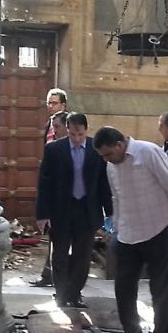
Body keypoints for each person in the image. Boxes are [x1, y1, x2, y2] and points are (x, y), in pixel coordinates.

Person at [94, 126, 168, 333]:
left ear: (119, 144)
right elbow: (117, 197)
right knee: (123, 289)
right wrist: (114, 225)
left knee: (162, 293)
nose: (106, 160)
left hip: (160, 231)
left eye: (107, 154)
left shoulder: (149, 152)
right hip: (127, 235)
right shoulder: (111, 166)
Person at [35, 113, 112, 309]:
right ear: (67, 131)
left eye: (80, 134)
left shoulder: (96, 150)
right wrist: (42, 215)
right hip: (60, 210)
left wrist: (110, 213)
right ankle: (61, 294)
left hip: (87, 210)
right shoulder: (54, 150)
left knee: (82, 255)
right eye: (72, 134)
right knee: (59, 254)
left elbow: (104, 184)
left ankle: (75, 293)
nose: (76, 139)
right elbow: (44, 183)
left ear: (86, 130)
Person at [32, 88, 69, 288]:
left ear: (63, 105)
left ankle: (59, 277)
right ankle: (50, 275)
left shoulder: (70, 125)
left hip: (66, 191)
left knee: (62, 239)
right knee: (53, 236)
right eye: (48, 103)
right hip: (51, 185)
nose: (50, 106)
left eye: (54, 103)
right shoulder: (49, 125)